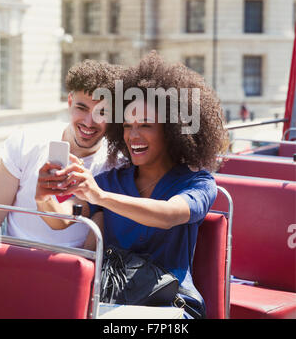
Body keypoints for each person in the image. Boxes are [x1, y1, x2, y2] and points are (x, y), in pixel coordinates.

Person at [35, 51, 229, 318]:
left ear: (173, 129)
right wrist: (43, 197)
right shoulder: (110, 181)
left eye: (146, 125)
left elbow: (169, 215)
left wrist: (101, 197)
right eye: (127, 126)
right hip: (112, 304)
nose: (133, 135)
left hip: (172, 308)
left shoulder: (198, 182)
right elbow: (66, 217)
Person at [0, 59, 123, 247]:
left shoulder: (117, 166)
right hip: (13, 258)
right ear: (70, 101)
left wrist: (44, 197)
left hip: (69, 269)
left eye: (101, 112)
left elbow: (88, 248)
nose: (89, 122)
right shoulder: (26, 141)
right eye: (82, 108)